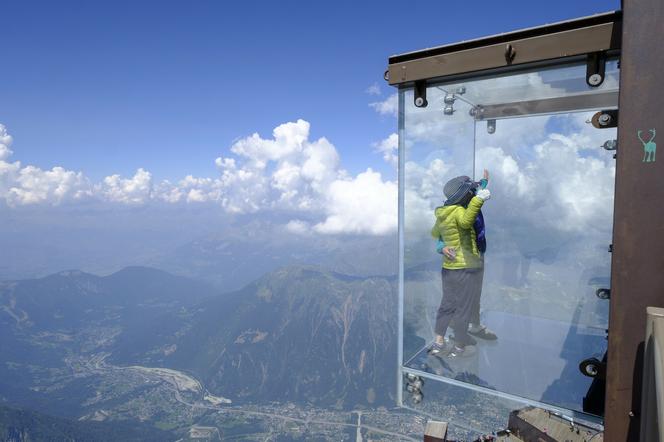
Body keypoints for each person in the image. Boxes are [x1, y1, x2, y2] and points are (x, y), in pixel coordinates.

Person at [429, 174, 491, 358]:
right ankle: (459, 345)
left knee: (447, 304)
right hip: (467, 265)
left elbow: (435, 232)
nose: (474, 191)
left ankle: (439, 341)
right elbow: (466, 221)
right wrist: (479, 199)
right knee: (464, 306)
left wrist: (484, 183)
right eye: (471, 190)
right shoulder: (462, 210)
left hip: (449, 267)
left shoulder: (442, 213)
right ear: (465, 195)